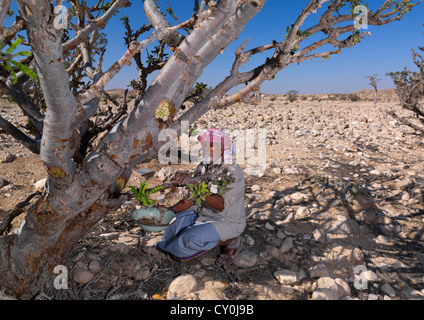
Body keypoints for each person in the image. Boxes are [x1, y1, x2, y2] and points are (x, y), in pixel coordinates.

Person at [156, 128, 246, 265]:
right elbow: (193, 199)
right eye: (204, 145)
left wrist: (194, 183)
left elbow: (221, 206)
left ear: (222, 150)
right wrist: (171, 210)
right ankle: (172, 246)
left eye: (210, 145)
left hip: (227, 221)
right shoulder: (203, 167)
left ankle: (230, 240)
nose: (204, 148)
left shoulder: (232, 172)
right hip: (202, 214)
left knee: (188, 239)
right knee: (171, 228)